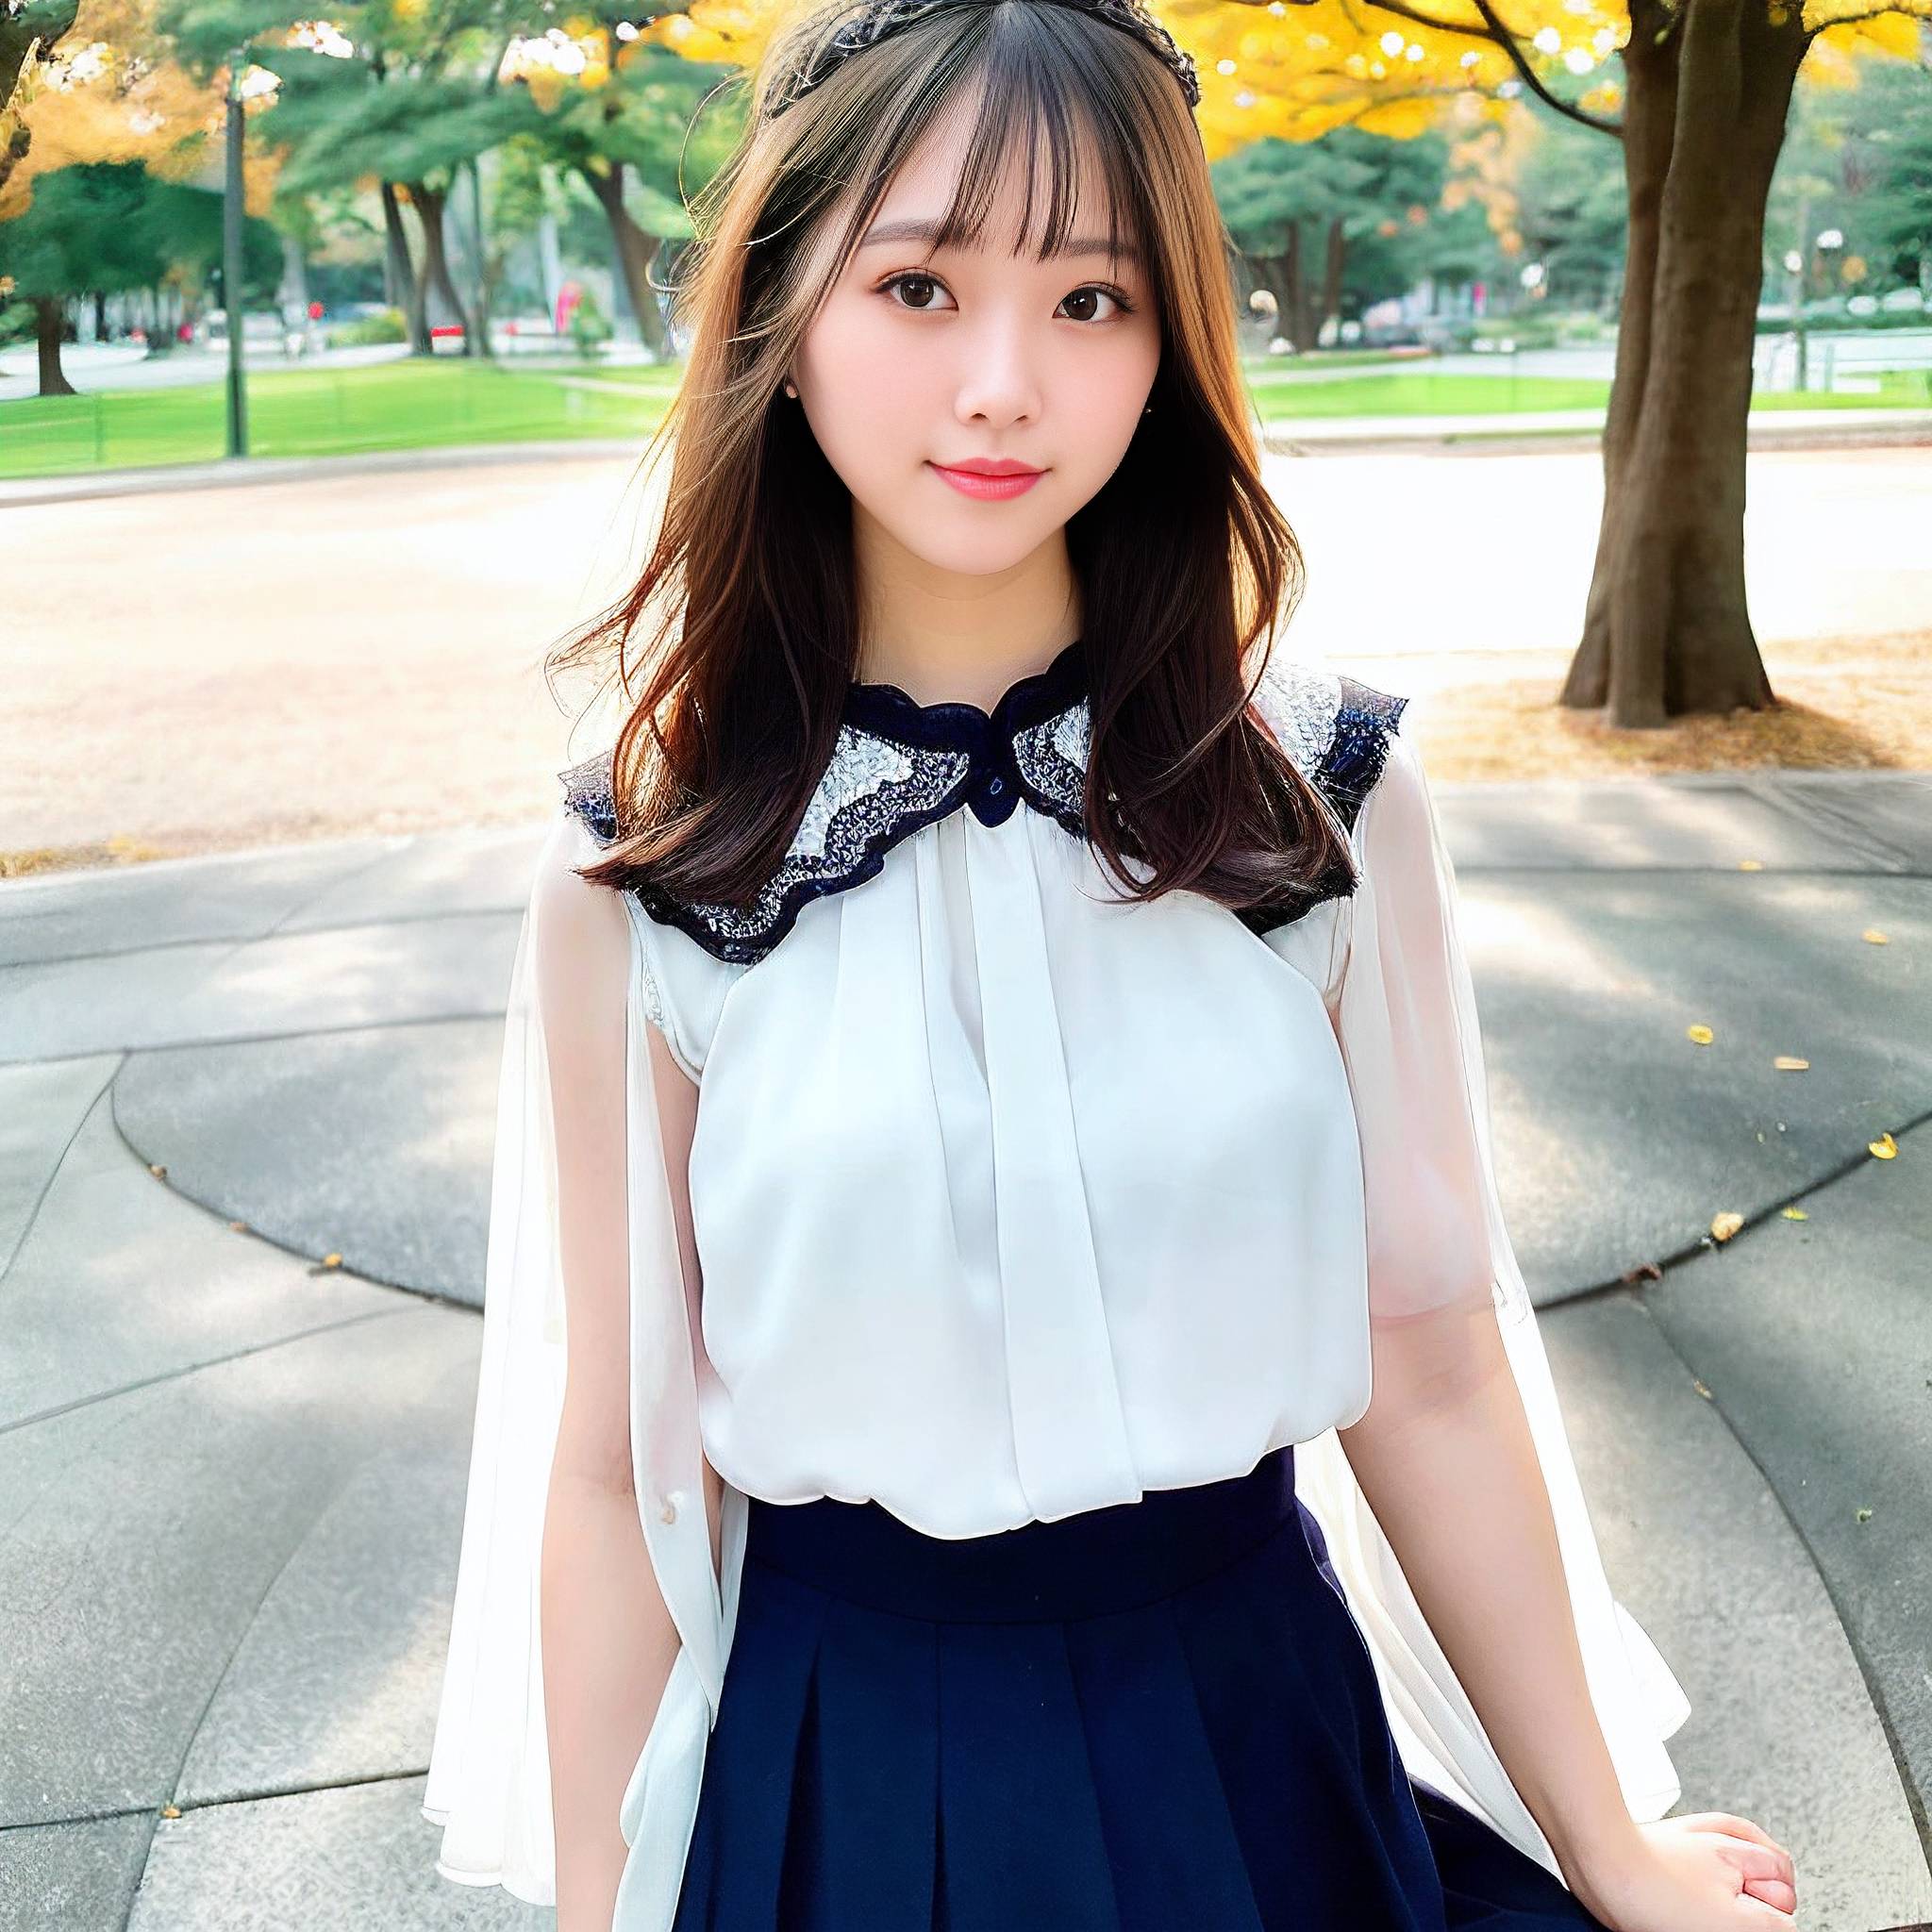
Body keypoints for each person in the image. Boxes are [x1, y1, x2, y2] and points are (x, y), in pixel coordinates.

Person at [422, 1, 1802, 1927]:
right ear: (778, 317)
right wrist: (597, 1910)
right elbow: (613, 1471)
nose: (1004, 384)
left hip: (1253, 1748)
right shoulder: (647, 871)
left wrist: (1609, 1843)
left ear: (1169, 345)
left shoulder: (1313, 798)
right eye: (917, 285)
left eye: (1091, 302)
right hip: (840, 1789)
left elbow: (1424, 1353)